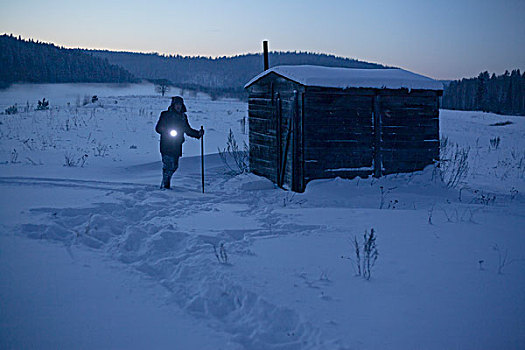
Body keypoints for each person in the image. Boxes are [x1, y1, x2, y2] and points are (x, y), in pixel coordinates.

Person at [155, 96, 203, 189]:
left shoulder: (183, 117)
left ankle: (165, 182)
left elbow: (187, 129)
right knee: (168, 165)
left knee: (175, 166)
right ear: (173, 105)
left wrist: (198, 134)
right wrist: (166, 131)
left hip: (177, 145)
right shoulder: (165, 115)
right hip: (166, 144)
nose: (178, 106)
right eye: (176, 104)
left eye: (180, 105)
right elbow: (158, 128)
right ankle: (166, 185)